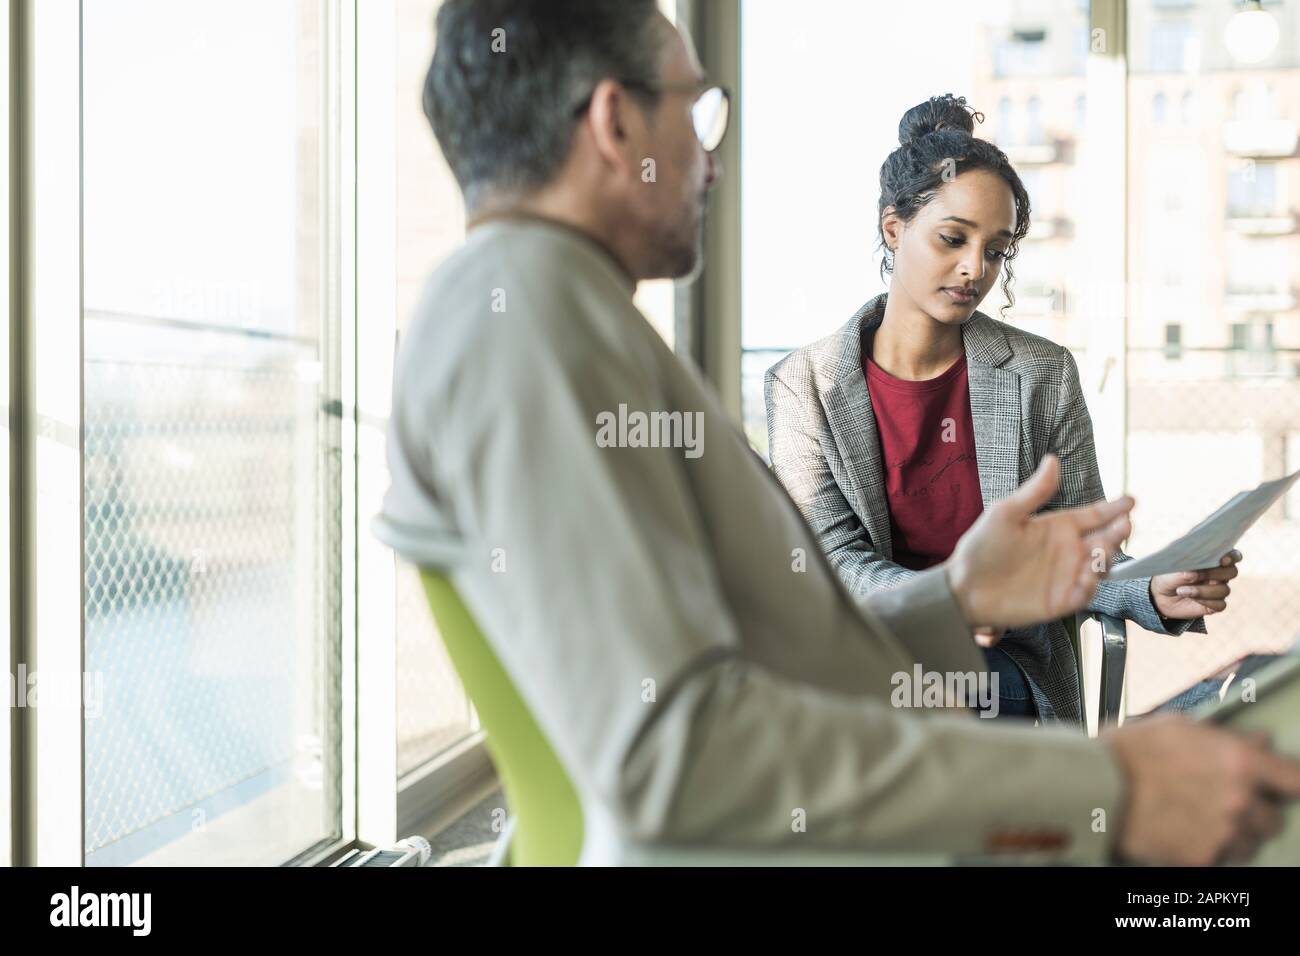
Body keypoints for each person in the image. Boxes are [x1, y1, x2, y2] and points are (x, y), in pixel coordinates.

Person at [375, 0, 1300, 864]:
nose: (712, 162)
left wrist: (960, 595)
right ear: (617, 124)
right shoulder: (529, 324)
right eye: (698, 116)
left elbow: (747, 649)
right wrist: (1110, 782)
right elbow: (682, 755)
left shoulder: (560, 314)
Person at [765, 94, 1242, 724]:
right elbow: (832, 562)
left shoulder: (1040, 373)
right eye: (952, 239)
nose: (973, 270)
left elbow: (1076, 545)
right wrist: (950, 601)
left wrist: (1152, 590)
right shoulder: (803, 387)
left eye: (996, 250)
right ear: (892, 229)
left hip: (1006, 671)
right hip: (871, 651)